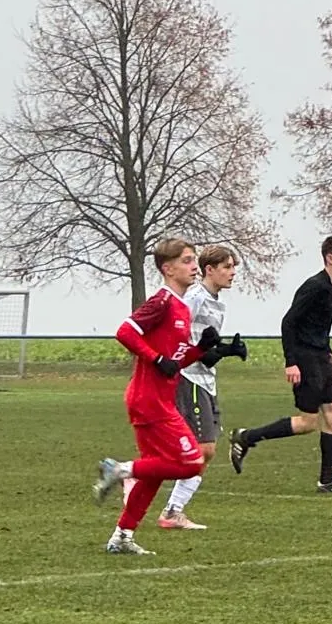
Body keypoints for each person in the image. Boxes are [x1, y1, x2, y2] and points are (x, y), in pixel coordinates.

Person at [92, 237, 246, 555]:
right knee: (190, 462)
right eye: (187, 261)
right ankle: (119, 469)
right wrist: (155, 358)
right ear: (168, 268)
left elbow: (175, 362)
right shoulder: (162, 301)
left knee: (155, 472)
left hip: (159, 398)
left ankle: (122, 536)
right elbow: (125, 332)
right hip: (149, 400)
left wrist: (201, 348)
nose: (194, 266)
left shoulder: (181, 307)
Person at [228, 236, 332, 492]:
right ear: (330, 258)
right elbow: (288, 323)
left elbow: (316, 329)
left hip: (321, 358)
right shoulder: (315, 286)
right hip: (306, 359)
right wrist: (291, 362)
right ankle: (246, 437)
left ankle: (328, 480)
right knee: (308, 423)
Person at [158, 244, 240, 531]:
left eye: (233, 267)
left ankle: (170, 506)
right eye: (227, 267)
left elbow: (204, 342)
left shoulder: (217, 302)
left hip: (206, 379)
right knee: (202, 448)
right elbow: (177, 332)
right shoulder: (194, 298)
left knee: (204, 450)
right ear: (210, 270)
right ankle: (143, 482)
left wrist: (225, 350)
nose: (232, 273)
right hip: (189, 378)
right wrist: (192, 355)